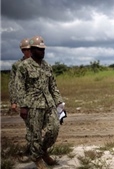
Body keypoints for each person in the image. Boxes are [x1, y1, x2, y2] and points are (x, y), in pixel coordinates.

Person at [15, 35, 64, 169]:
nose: (42, 52)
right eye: (39, 50)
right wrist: (23, 106)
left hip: (48, 104)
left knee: (54, 129)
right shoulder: (24, 66)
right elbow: (19, 87)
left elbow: (53, 86)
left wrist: (60, 103)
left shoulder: (47, 66)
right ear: (32, 49)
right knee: (34, 134)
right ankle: (38, 158)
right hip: (32, 106)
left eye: (43, 50)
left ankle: (41, 151)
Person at [9, 38, 31, 112]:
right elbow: (12, 84)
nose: (29, 51)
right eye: (26, 50)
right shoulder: (17, 65)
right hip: (25, 99)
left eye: (30, 49)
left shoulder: (39, 63)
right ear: (22, 51)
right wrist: (13, 101)